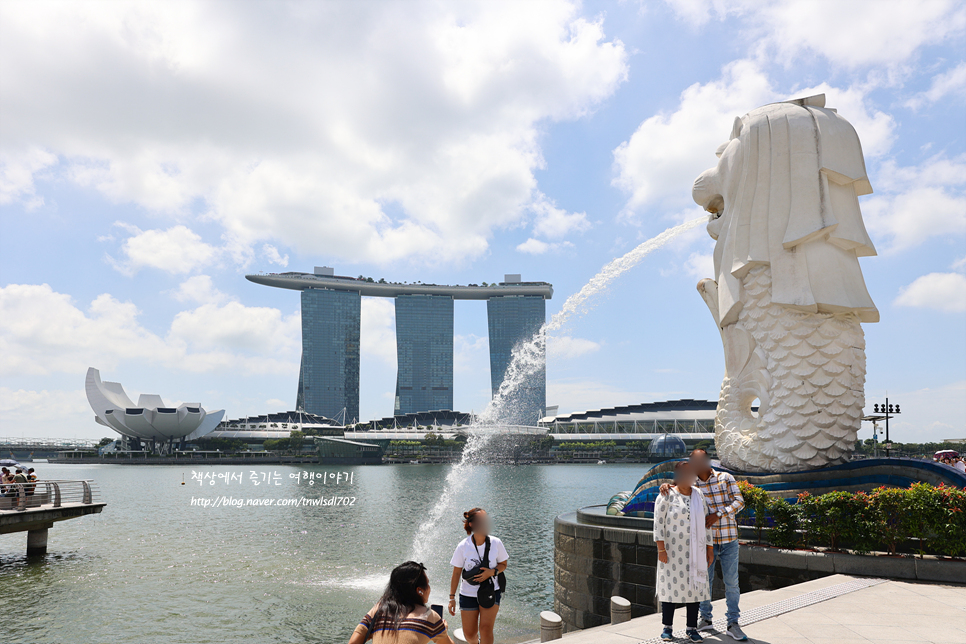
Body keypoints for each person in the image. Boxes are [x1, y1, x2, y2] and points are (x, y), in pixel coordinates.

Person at [660, 450, 748, 641]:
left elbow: (740, 501)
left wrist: (719, 513)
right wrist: (667, 485)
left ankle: (733, 623)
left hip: (728, 538)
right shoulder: (693, 483)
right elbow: (678, 488)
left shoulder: (725, 478)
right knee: (703, 583)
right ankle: (705, 619)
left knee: (731, 583)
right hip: (703, 543)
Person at [655, 461, 714, 642]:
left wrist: (709, 550)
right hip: (672, 553)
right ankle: (667, 628)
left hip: (696, 552)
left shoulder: (698, 495)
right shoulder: (666, 495)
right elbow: (658, 524)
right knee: (670, 589)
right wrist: (661, 549)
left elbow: (706, 524)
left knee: (694, 590)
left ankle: (691, 628)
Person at [348, 561, 453, 644]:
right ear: (419, 590)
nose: (429, 588)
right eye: (428, 584)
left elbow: (353, 642)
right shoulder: (429, 616)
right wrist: (442, 631)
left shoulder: (379, 608)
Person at [448, 508, 508, 644]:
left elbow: (503, 564)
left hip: (491, 590)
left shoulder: (496, 543)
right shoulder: (463, 546)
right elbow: (456, 573)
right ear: (472, 524)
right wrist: (451, 598)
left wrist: (491, 572)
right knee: (469, 634)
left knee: (486, 629)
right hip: (468, 594)